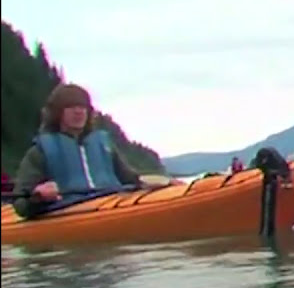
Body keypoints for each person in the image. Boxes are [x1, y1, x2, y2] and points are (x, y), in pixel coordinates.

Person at [10, 84, 177, 219]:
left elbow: (132, 179)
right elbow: (20, 205)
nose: (79, 111)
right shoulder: (40, 151)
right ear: (57, 113)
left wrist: (167, 184)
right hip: (69, 211)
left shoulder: (104, 145)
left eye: (83, 107)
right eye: (71, 106)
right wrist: (38, 197)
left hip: (112, 203)